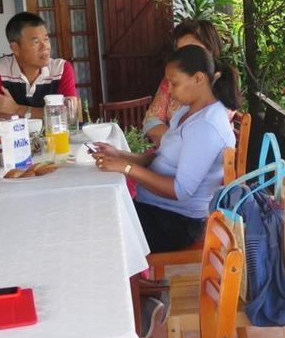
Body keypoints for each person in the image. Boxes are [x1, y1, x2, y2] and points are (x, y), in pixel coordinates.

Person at [92, 45, 240, 253]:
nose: (169, 90)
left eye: (174, 83)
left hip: (178, 222)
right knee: (95, 212)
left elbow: (180, 190)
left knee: (99, 233)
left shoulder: (207, 126)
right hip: (155, 208)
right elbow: (160, 157)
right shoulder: (188, 112)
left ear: (198, 79)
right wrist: (119, 155)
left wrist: (126, 168)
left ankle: (127, 283)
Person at [142, 18, 226, 143]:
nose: (185, 58)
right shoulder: (170, 81)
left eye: (193, 50)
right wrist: (176, 143)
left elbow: (203, 135)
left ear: (210, 50)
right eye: (181, 52)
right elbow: (150, 122)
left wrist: (173, 142)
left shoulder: (224, 82)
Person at [0, 12, 76, 121]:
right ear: (15, 48)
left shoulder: (61, 68)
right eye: (36, 42)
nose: (45, 46)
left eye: (46, 39)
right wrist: (49, 113)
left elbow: (69, 115)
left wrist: (17, 109)